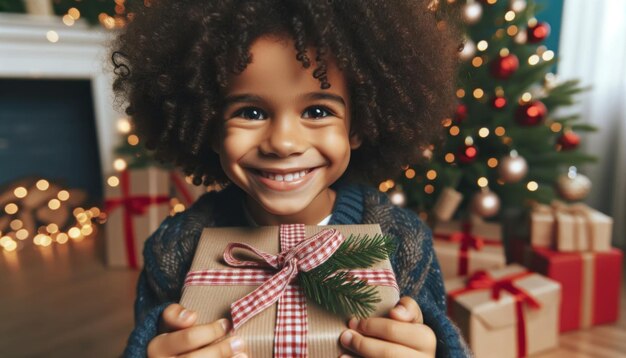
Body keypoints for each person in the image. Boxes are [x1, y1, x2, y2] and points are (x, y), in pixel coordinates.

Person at [111, 0, 471, 357]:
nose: (283, 143)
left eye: (317, 111)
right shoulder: (174, 250)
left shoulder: (403, 243)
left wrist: (435, 349)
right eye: (250, 112)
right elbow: (151, 334)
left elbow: (432, 331)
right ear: (210, 127)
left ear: (357, 127)